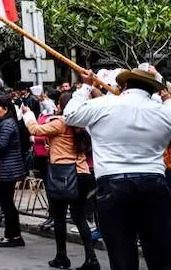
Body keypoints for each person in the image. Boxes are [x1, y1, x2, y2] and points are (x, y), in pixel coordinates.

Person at [64, 66, 171, 270]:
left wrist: (85, 87)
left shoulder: (104, 104)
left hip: (113, 186)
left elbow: (70, 115)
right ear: (152, 89)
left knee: (121, 254)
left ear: (125, 85)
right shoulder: (163, 110)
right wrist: (165, 94)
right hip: (154, 184)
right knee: (161, 254)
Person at [24, 94, 99, 270]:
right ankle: (91, 259)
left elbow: (35, 130)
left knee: (59, 217)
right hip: (82, 173)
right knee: (79, 217)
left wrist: (28, 115)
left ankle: (61, 257)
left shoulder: (61, 122)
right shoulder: (83, 123)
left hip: (63, 175)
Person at [0, 95, 27, 247]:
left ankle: (13, 236)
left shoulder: (7, 124)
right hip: (7, 169)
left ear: (5, 109)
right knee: (7, 203)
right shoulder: (4, 122)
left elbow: (1, 146)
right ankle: (13, 235)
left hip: (8, 169)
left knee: (7, 204)